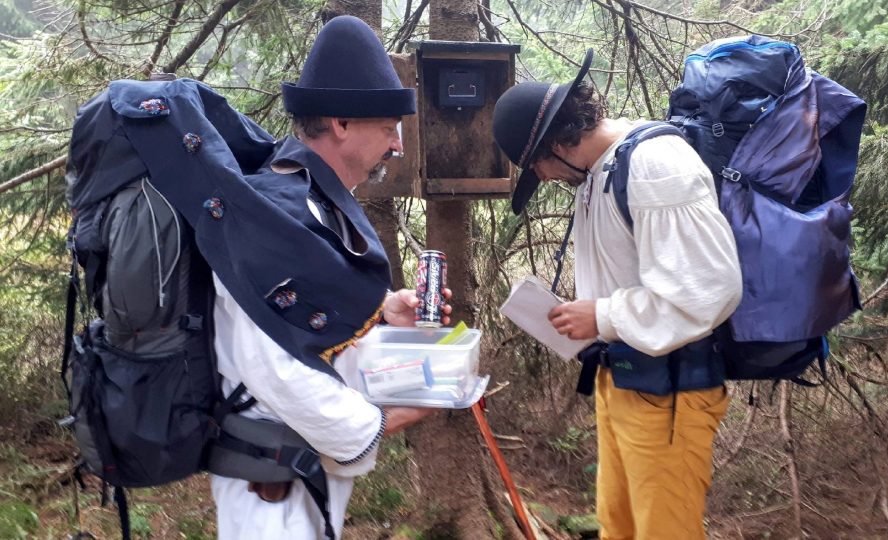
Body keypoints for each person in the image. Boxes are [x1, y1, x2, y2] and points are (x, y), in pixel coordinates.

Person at [208, 16, 447, 539]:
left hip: (302, 469)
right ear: (341, 123)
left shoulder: (313, 206)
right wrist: (382, 422)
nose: (398, 147)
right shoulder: (271, 216)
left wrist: (382, 310)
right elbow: (275, 370)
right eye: (388, 129)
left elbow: (310, 324)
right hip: (269, 489)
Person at [492, 50, 743, 539]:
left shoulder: (654, 164)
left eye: (537, 165)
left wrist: (602, 316)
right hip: (624, 384)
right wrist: (590, 315)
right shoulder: (598, 173)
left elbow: (710, 290)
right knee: (618, 526)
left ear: (558, 142)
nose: (542, 178)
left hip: (670, 393)